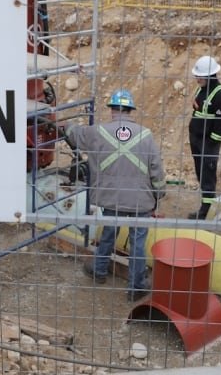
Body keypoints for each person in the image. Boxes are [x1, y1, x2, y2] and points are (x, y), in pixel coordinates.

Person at [64, 89, 166, 302]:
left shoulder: (98, 132)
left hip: (111, 198)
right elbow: (156, 170)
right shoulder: (146, 135)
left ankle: (99, 270)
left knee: (110, 230)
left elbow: (75, 135)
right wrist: (159, 194)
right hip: (141, 201)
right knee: (138, 243)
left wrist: (65, 125)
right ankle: (136, 287)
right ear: (130, 110)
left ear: (111, 110)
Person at [187, 55, 221, 220]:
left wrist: (212, 143)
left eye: (200, 76)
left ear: (210, 76)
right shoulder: (202, 89)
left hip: (208, 142)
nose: (197, 78)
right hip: (197, 138)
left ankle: (206, 210)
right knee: (200, 172)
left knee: (207, 174)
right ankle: (206, 205)